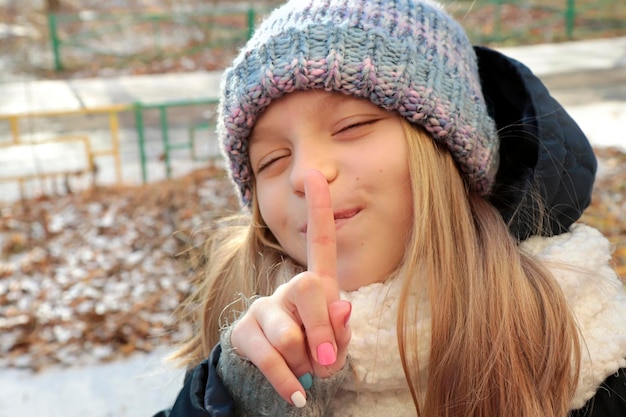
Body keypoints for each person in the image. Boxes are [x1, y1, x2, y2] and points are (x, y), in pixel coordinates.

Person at [154, 0, 626, 416]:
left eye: (353, 126)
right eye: (272, 160)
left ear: (451, 153)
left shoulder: (592, 350)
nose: (303, 175)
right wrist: (233, 400)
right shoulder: (233, 353)